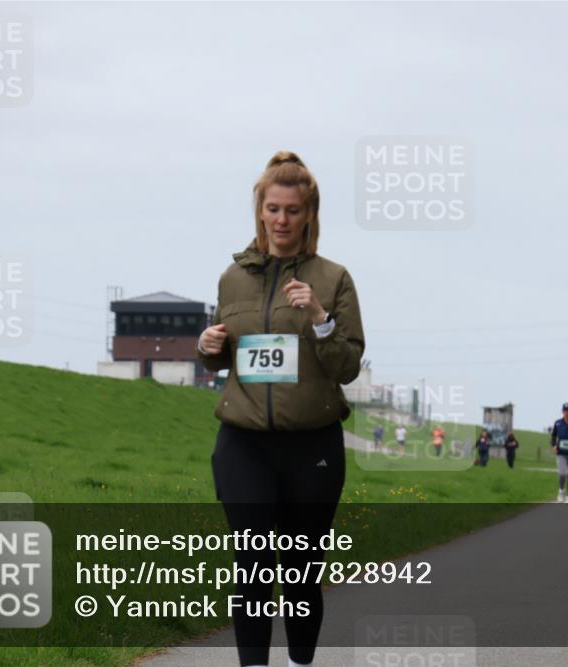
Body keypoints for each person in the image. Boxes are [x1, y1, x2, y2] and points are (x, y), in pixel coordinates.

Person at [198, 151, 365, 667]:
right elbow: (229, 359)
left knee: (297, 569)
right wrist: (207, 347)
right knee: (251, 566)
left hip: (310, 445)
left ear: (309, 214)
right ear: (260, 211)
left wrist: (318, 317)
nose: (281, 220)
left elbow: (348, 366)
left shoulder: (333, 279)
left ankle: (299, 662)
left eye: (292, 210)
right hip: (243, 442)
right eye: (273, 208)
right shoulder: (232, 278)